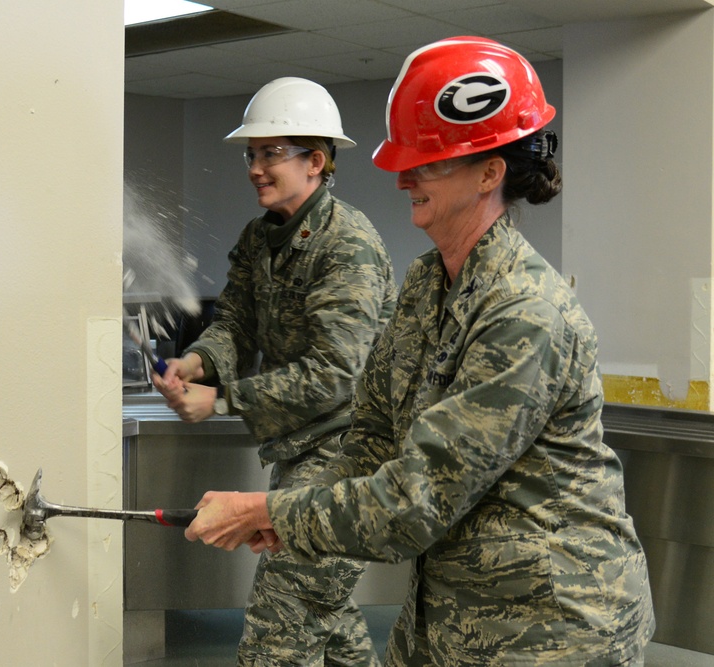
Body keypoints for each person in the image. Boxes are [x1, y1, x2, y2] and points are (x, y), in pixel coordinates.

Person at [183, 38, 656, 666]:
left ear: (490, 172)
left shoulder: (524, 313)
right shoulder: (428, 284)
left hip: (551, 629)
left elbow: (418, 498)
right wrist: (288, 512)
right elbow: (374, 435)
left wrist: (270, 509)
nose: (404, 178)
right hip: (451, 615)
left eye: (427, 164)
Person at [153, 76, 398, 666]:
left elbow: (335, 374)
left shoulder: (348, 247)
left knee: (277, 633)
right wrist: (197, 362)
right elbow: (235, 324)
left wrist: (221, 400)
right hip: (300, 453)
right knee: (330, 621)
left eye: (271, 154)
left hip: (350, 458)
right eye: (252, 154)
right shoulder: (259, 239)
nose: (256, 169)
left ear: (316, 162)